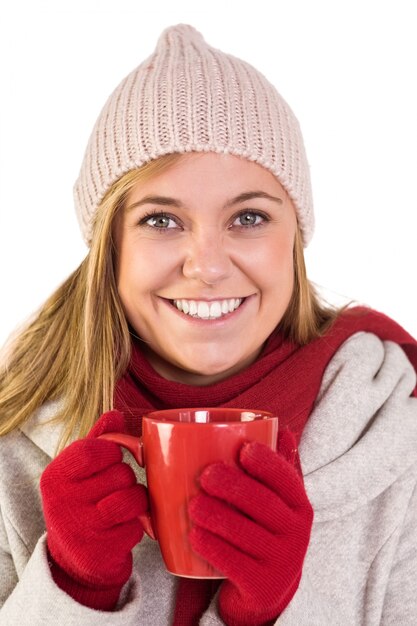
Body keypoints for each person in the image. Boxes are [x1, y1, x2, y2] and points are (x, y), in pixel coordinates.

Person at [0, 23, 416, 626]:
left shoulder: (396, 436)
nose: (209, 266)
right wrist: (73, 590)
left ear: (294, 242)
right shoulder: (13, 435)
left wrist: (274, 611)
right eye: (161, 221)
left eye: (249, 216)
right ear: (109, 250)